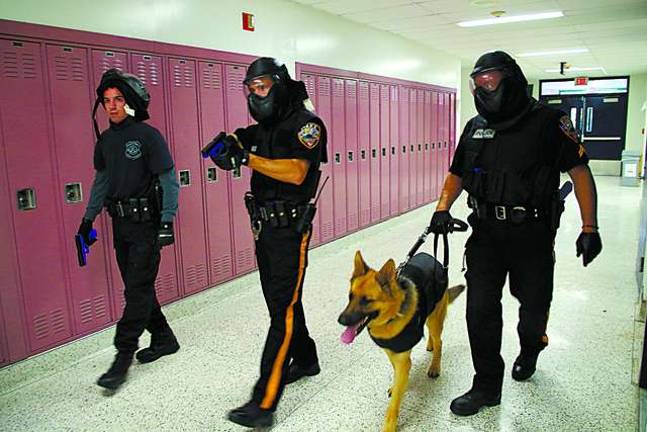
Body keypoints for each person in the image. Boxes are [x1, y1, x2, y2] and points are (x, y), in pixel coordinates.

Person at [428, 51, 602, 416]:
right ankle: (486, 385)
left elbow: (579, 172)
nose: (484, 88)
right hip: (486, 234)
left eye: (490, 80)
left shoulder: (549, 121)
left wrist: (590, 227)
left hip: (533, 234)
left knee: (533, 309)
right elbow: (457, 173)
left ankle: (531, 347)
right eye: (477, 83)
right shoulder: (476, 126)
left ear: (511, 79)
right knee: (479, 310)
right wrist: (442, 207)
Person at [206, 57, 327, 428]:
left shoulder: (307, 125)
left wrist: (247, 158)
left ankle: (264, 402)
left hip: (291, 230)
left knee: (282, 311)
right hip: (263, 228)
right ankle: (306, 359)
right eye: (251, 90)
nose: (256, 95)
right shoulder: (262, 129)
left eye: (261, 87)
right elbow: (239, 142)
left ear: (278, 85)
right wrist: (227, 146)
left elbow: (296, 172)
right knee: (283, 301)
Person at [78, 68, 181, 391]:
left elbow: (169, 180)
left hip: (147, 225)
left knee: (135, 290)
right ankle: (164, 338)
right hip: (120, 224)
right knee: (139, 287)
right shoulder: (106, 140)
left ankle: (123, 355)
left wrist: (167, 220)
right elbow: (102, 182)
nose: (112, 106)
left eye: (118, 99)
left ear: (130, 101)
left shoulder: (148, 136)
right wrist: (88, 218)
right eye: (106, 101)